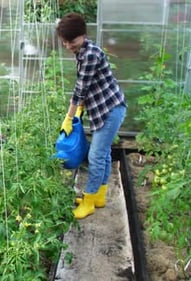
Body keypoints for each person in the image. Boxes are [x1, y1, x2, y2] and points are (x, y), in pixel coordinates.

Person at [56, 13, 127, 219]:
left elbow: (80, 91)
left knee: (96, 155)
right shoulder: (82, 50)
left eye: (72, 41)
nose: (68, 45)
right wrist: (78, 110)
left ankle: (88, 201)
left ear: (83, 35)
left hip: (110, 110)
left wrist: (69, 117)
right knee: (102, 154)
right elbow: (87, 89)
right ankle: (98, 196)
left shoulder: (89, 55)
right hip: (102, 110)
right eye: (65, 42)